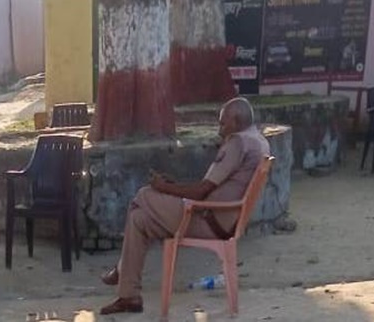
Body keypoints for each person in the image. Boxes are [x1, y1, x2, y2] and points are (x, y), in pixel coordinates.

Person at [99, 97, 270, 315]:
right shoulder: (258, 140)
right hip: (220, 219)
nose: (219, 130)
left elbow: (201, 191)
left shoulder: (238, 142)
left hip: (207, 219)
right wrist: (174, 186)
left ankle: (121, 270)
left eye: (223, 124)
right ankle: (129, 296)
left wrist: (164, 187)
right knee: (138, 219)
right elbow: (208, 188)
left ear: (236, 122)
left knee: (144, 195)